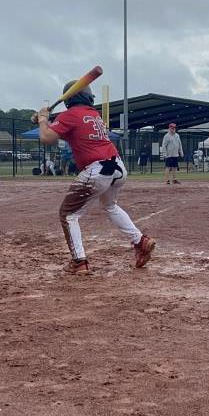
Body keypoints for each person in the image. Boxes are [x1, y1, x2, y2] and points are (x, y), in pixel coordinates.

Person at [36, 80, 155, 275]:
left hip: (98, 170)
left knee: (68, 214)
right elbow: (65, 133)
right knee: (110, 206)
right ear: (88, 97)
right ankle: (140, 241)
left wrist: (42, 120)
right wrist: (45, 121)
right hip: (117, 167)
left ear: (68, 99)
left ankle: (79, 262)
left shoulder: (71, 115)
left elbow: (46, 138)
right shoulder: (93, 115)